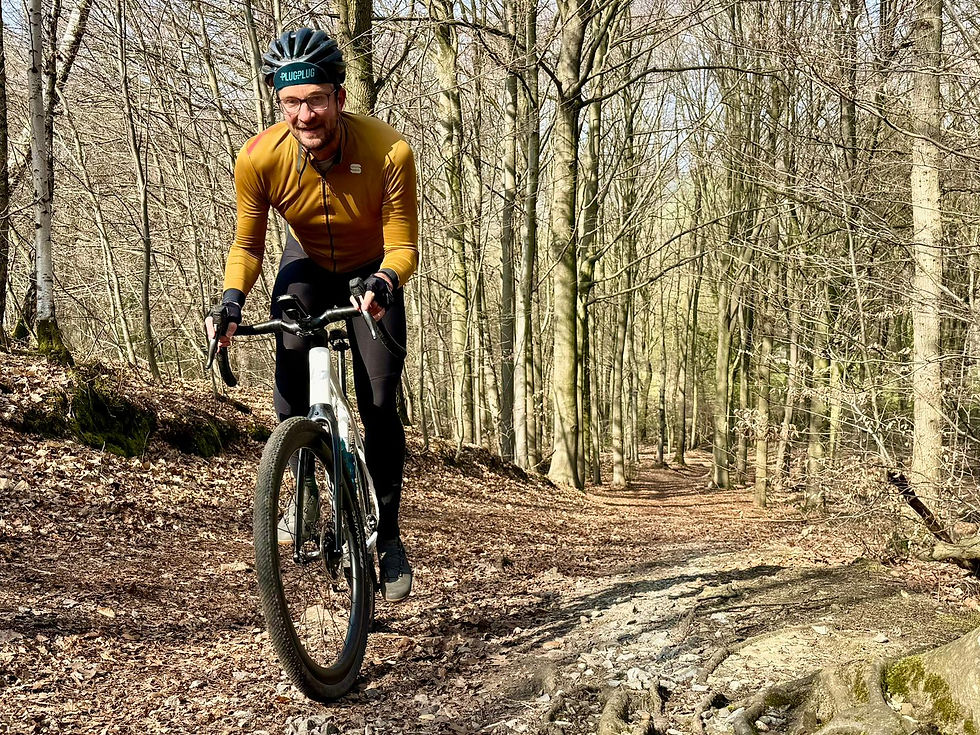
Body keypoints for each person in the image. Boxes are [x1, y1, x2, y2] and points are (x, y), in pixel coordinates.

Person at [206, 27, 418, 603]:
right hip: (305, 263)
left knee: (378, 399)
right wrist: (230, 302)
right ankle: (297, 476)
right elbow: (247, 247)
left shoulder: (389, 151)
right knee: (289, 370)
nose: (305, 114)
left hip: (372, 267)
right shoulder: (258, 159)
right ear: (279, 103)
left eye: (317, 99)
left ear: (340, 98)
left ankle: (388, 535)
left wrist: (384, 280)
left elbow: (405, 247)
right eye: (291, 102)